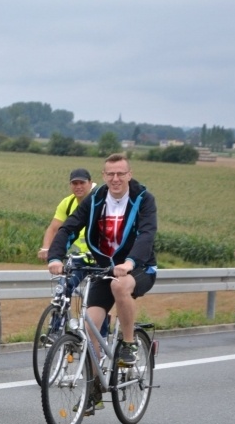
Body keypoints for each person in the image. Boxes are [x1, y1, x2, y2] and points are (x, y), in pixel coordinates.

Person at [47, 153, 157, 373]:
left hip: (140, 267)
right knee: (89, 330)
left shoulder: (143, 199)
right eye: (111, 174)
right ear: (104, 176)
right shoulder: (96, 199)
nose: (115, 179)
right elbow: (69, 227)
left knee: (120, 285)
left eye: (120, 174)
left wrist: (130, 262)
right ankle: (95, 384)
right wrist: (55, 257)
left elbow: (146, 234)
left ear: (129, 175)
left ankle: (128, 344)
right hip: (106, 269)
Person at [39, 168, 108, 337]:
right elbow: (54, 228)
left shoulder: (101, 201)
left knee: (98, 299)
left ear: (90, 183)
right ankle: (55, 331)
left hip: (99, 258)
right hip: (78, 258)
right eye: (74, 183)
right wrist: (46, 248)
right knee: (63, 288)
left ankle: (102, 336)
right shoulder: (68, 203)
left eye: (82, 183)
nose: (78, 187)